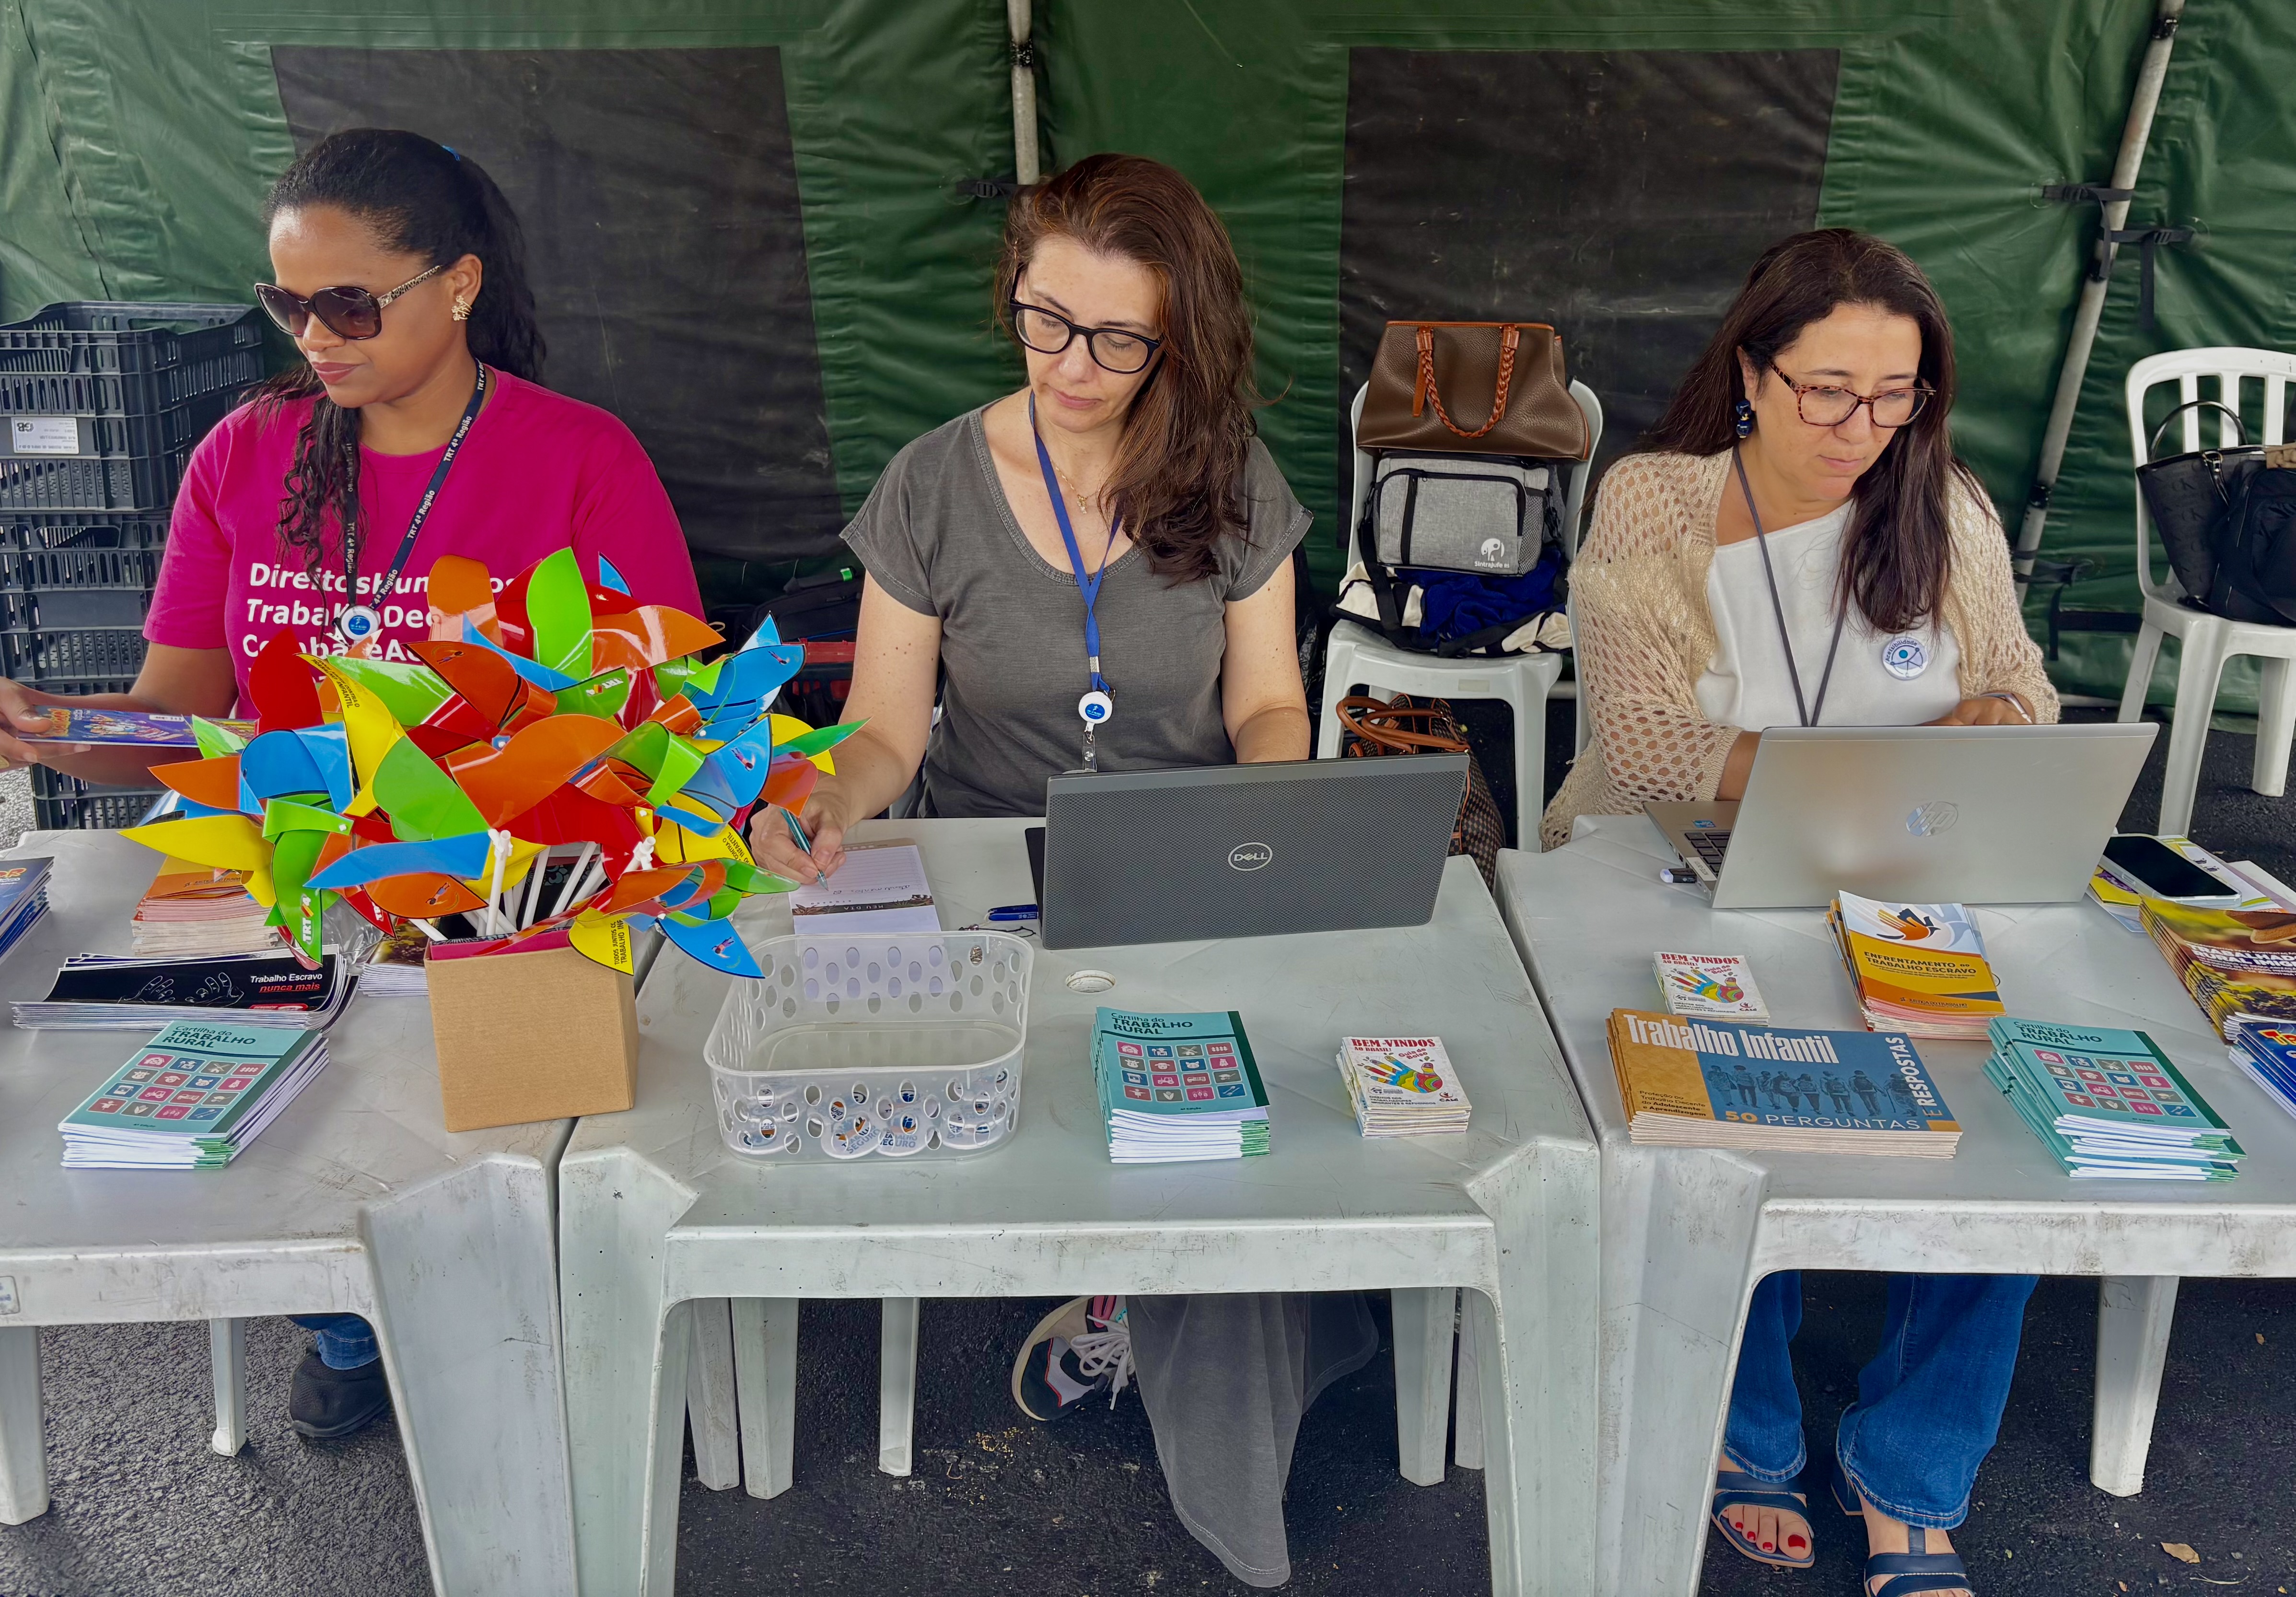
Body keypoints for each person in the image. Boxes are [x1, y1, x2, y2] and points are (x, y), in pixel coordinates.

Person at [0, 128, 701, 1440]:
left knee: (500, 1170)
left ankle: (487, 1318)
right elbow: (174, 722)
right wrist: (52, 728)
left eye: (348, 303)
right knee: (205, 1137)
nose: (314, 337)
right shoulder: (246, 456)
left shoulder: (579, 458)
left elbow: (651, 728)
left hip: (500, 898)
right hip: (292, 905)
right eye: (287, 302)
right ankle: (347, 1316)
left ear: (460, 285)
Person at [746, 153, 1340, 1589]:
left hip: (1190, 860)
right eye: (1043, 320)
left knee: (1229, 1118)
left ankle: (1179, 1349)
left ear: (1179, 338)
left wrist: (1278, 817)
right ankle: (1180, 1313)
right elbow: (887, 730)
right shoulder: (933, 482)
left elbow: (1268, 705)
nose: (1075, 366)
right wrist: (826, 791)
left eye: (1120, 339)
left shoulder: (1230, 475)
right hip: (987, 868)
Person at [1550, 229, 2059, 1597]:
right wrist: (1906, 762)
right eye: (1831, 389)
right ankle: (1749, 1427)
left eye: (1897, 397)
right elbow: (1653, 749)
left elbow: (2023, 692)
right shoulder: (1657, 503)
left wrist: (1997, 717)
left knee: (2016, 1117)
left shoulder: (1945, 510)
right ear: (1755, 372)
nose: (1863, 426)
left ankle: (1912, 1475)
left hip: (1898, 888)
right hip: (1679, 870)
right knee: (1723, 1106)